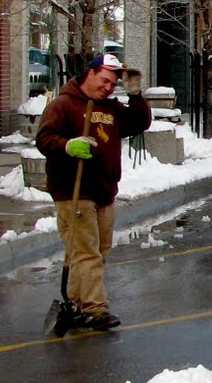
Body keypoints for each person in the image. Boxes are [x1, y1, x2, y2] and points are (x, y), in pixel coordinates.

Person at [35, 52, 153, 331]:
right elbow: (43, 138)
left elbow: (138, 124)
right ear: (90, 73)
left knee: (98, 251)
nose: (108, 88)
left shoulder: (110, 108)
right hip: (73, 190)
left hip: (104, 190)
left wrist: (135, 95)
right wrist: (67, 145)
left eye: (113, 84)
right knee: (86, 252)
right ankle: (95, 309)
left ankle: (76, 302)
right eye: (104, 81)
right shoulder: (63, 105)